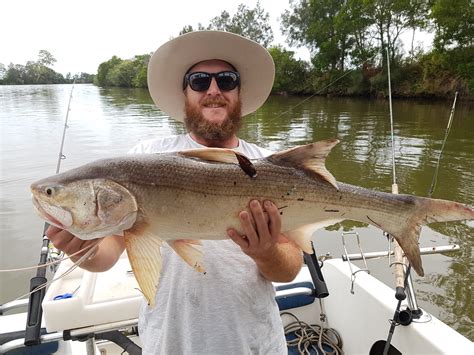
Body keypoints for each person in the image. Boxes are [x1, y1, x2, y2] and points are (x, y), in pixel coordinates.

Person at [47, 30, 303, 354]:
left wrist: (266, 251)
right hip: (169, 343)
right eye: (199, 81)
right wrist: (81, 250)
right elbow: (109, 250)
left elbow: (290, 267)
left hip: (253, 344)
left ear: (239, 92)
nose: (213, 90)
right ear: (185, 93)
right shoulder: (143, 158)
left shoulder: (272, 165)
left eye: (226, 80)